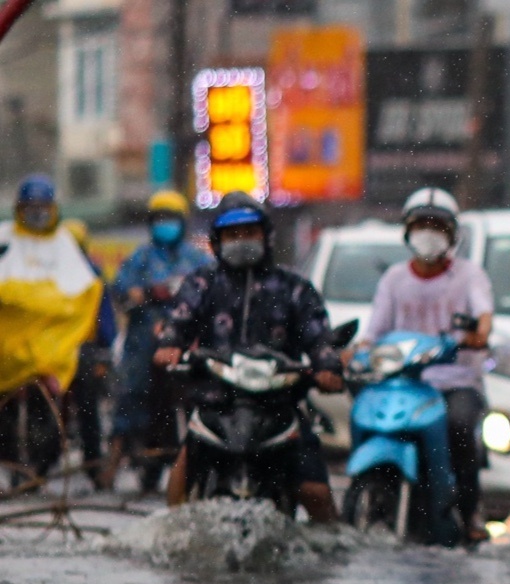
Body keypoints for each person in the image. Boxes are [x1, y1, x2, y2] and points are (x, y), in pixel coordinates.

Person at [151, 191, 344, 523]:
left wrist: (327, 367)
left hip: (278, 408)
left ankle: (334, 545)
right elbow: (178, 322)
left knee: (316, 492)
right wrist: (170, 345)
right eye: (233, 234)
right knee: (180, 481)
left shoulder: (294, 288)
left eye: (250, 232)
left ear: (265, 236)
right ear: (218, 241)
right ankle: (171, 536)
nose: (242, 241)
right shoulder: (202, 283)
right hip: (215, 406)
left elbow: (318, 336)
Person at [355, 187, 494, 543]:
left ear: (452, 234)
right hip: (405, 384)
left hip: (455, 381)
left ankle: (468, 509)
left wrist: (478, 334)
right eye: (421, 225)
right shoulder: (394, 279)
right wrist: (357, 351)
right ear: (407, 231)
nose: (428, 233)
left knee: (459, 426)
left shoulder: (469, 276)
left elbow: (483, 315)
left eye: (437, 226)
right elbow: (374, 332)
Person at [103, 191, 215, 492]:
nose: (165, 224)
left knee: (204, 392)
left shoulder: (198, 259)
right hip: (146, 340)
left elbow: (214, 291)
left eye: (171, 218)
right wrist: (149, 293)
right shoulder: (140, 258)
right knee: (131, 392)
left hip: (187, 341)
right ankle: (112, 463)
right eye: (160, 218)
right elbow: (123, 289)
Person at [0, 175, 103, 483]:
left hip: (56, 347)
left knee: (87, 382)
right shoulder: (4, 239)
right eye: (30, 206)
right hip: (9, 346)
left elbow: (83, 295)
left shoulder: (64, 244)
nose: (37, 213)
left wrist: (31, 301)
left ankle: (94, 462)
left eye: (43, 207)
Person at [62, 219, 118, 482]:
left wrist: (104, 347)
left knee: (87, 405)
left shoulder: (91, 273)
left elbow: (103, 316)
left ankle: (93, 462)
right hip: (52, 351)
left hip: (82, 350)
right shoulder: (48, 273)